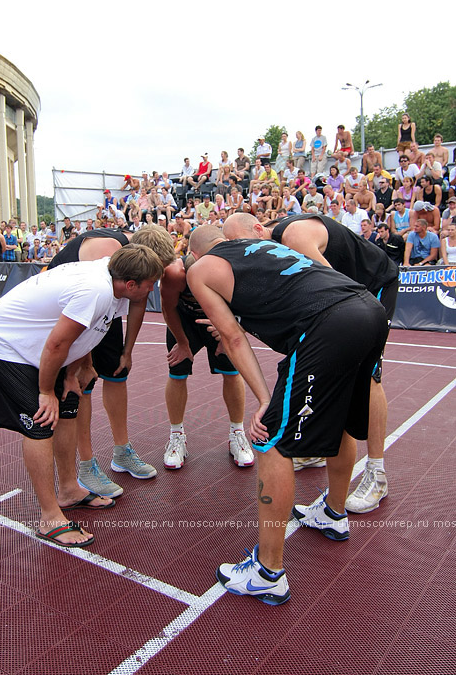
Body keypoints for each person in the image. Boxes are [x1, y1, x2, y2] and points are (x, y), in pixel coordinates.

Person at [187, 225, 388, 605]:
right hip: (368, 308)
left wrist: (264, 398)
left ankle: (267, 572)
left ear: (196, 255)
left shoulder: (201, 270)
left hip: (328, 323)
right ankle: (332, 513)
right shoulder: (262, 247)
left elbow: (231, 338)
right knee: (341, 417)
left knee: (272, 441)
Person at [0, 245, 164, 548]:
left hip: (43, 349)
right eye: (150, 283)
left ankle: (69, 489)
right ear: (131, 285)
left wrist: (72, 373)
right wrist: (46, 391)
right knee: (41, 421)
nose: (153, 288)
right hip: (5, 343)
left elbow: (86, 334)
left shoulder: (115, 279)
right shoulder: (96, 291)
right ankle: (50, 517)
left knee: (68, 407)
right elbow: (57, 344)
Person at [223, 212, 398, 512]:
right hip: (349, 293)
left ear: (258, 229)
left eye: (240, 244)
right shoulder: (275, 245)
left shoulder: (293, 237)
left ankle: (376, 472)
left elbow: (334, 294)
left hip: (371, 285)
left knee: (367, 376)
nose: (241, 254)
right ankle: (321, 450)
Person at [47, 226, 176, 497]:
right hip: (71, 308)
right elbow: (85, 322)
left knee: (118, 371)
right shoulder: (104, 259)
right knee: (83, 382)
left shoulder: (133, 268)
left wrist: (127, 350)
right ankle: (85, 465)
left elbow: (138, 302)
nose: (152, 284)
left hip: (99, 304)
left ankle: (122, 452)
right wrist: (84, 362)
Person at [160, 251, 253, 470]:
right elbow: (167, 308)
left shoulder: (231, 270)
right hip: (184, 321)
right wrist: (182, 343)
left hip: (219, 319)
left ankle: (237, 433)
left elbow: (249, 310)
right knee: (177, 372)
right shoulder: (174, 273)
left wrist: (231, 334)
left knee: (232, 372)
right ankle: (176, 436)